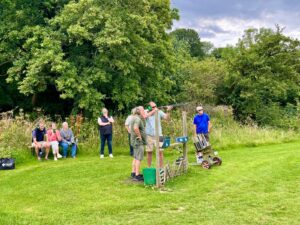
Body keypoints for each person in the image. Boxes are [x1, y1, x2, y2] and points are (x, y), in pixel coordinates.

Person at [143, 101, 172, 168]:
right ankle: (149, 167)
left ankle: (161, 168)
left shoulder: (159, 112)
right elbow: (145, 116)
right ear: (149, 107)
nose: (155, 108)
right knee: (149, 152)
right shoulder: (145, 111)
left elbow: (167, 118)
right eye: (153, 107)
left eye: (155, 106)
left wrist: (168, 111)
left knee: (160, 152)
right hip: (149, 135)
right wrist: (154, 111)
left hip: (159, 134)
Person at [130, 106, 147, 181]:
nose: (144, 111)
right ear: (139, 111)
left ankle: (133, 173)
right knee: (138, 158)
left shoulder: (135, 117)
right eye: (143, 110)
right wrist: (139, 136)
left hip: (134, 141)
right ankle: (137, 175)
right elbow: (135, 128)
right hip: (138, 142)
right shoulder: (137, 119)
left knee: (135, 157)